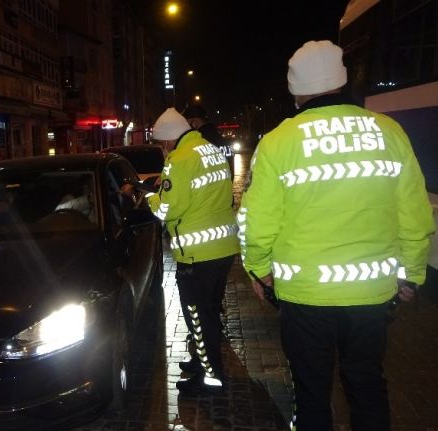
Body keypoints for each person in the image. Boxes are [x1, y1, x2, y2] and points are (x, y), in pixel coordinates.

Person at [237, 40, 435, 430]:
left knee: (312, 393)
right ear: (342, 80)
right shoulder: (389, 132)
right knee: (367, 385)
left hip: (305, 298)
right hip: (371, 295)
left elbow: (256, 222)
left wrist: (259, 270)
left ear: (296, 89)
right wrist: (411, 274)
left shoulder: (279, 141)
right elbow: (415, 214)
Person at [123, 107, 239, 395]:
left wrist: (148, 197)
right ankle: (202, 363)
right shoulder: (210, 150)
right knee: (209, 312)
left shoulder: (179, 159)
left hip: (197, 253)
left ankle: (210, 378)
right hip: (222, 247)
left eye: (161, 143)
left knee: (198, 317)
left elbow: (167, 209)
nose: (162, 148)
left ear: (168, 139)